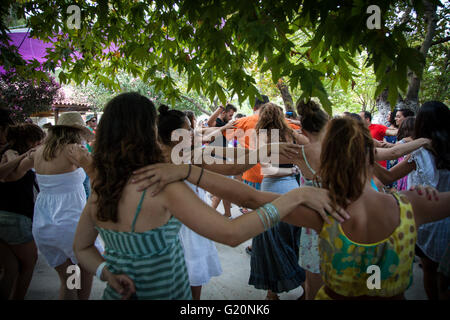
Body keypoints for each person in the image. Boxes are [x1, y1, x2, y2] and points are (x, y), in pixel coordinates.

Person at [132, 116, 450, 300]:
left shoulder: (321, 211)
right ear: (372, 157)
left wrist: (186, 171)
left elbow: (249, 198)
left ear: (327, 160)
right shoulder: (413, 206)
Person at [73, 92, 347, 300]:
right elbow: (231, 234)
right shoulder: (163, 183)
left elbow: (82, 247)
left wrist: (105, 273)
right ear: (149, 132)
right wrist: (296, 196)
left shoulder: (102, 186)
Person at [373, 101, 450, 300]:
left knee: (430, 271)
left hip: (430, 219)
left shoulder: (421, 152)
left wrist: (366, 160)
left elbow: (388, 177)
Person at [30, 112, 101, 300]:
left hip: (44, 224)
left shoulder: (39, 152)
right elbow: (100, 177)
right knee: (82, 273)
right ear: (77, 132)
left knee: (69, 279)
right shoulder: (74, 150)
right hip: (70, 223)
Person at [160, 105, 222, 300]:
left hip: (192, 226)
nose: (192, 133)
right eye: (188, 130)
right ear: (176, 135)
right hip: (182, 228)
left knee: (193, 276)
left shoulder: (188, 155)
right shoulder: (175, 161)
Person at [249, 103, 306, 300]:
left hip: (272, 188)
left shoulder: (263, 135)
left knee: (272, 242)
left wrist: (290, 170)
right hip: (293, 187)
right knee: (292, 239)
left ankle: (272, 294)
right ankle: (307, 289)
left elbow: (268, 170)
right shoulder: (291, 133)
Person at [0, 123, 44, 299]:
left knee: (10, 270)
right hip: (16, 216)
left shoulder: (8, 154)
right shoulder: (13, 155)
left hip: (5, 216)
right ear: (30, 141)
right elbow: (7, 176)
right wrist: (25, 156)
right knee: (28, 263)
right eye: (38, 141)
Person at [206, 104, 237, 218]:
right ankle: (209, 215)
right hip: (216, 159)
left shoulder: (225, 124)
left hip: (222, 158)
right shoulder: (218, 122)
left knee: (226, 189)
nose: (231, 117)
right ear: (223, 113)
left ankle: (227, 213)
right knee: (222, 189)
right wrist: (220, 108)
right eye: (230, 115)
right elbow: (209, 122)